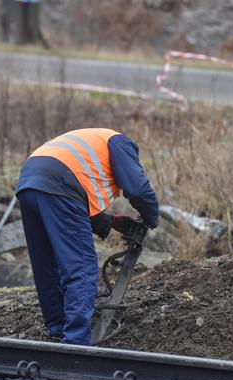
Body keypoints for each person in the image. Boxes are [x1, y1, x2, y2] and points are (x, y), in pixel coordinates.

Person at [16, 128, 159, 346]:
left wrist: (111, 222)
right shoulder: (121, 144)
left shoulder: (92, 146)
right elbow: (138, 190)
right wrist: (151, 218)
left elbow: (72, 209)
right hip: (60, 182)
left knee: (46, 265)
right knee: (81, 266)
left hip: (29, 180)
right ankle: (76, 343)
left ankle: (56, 330)